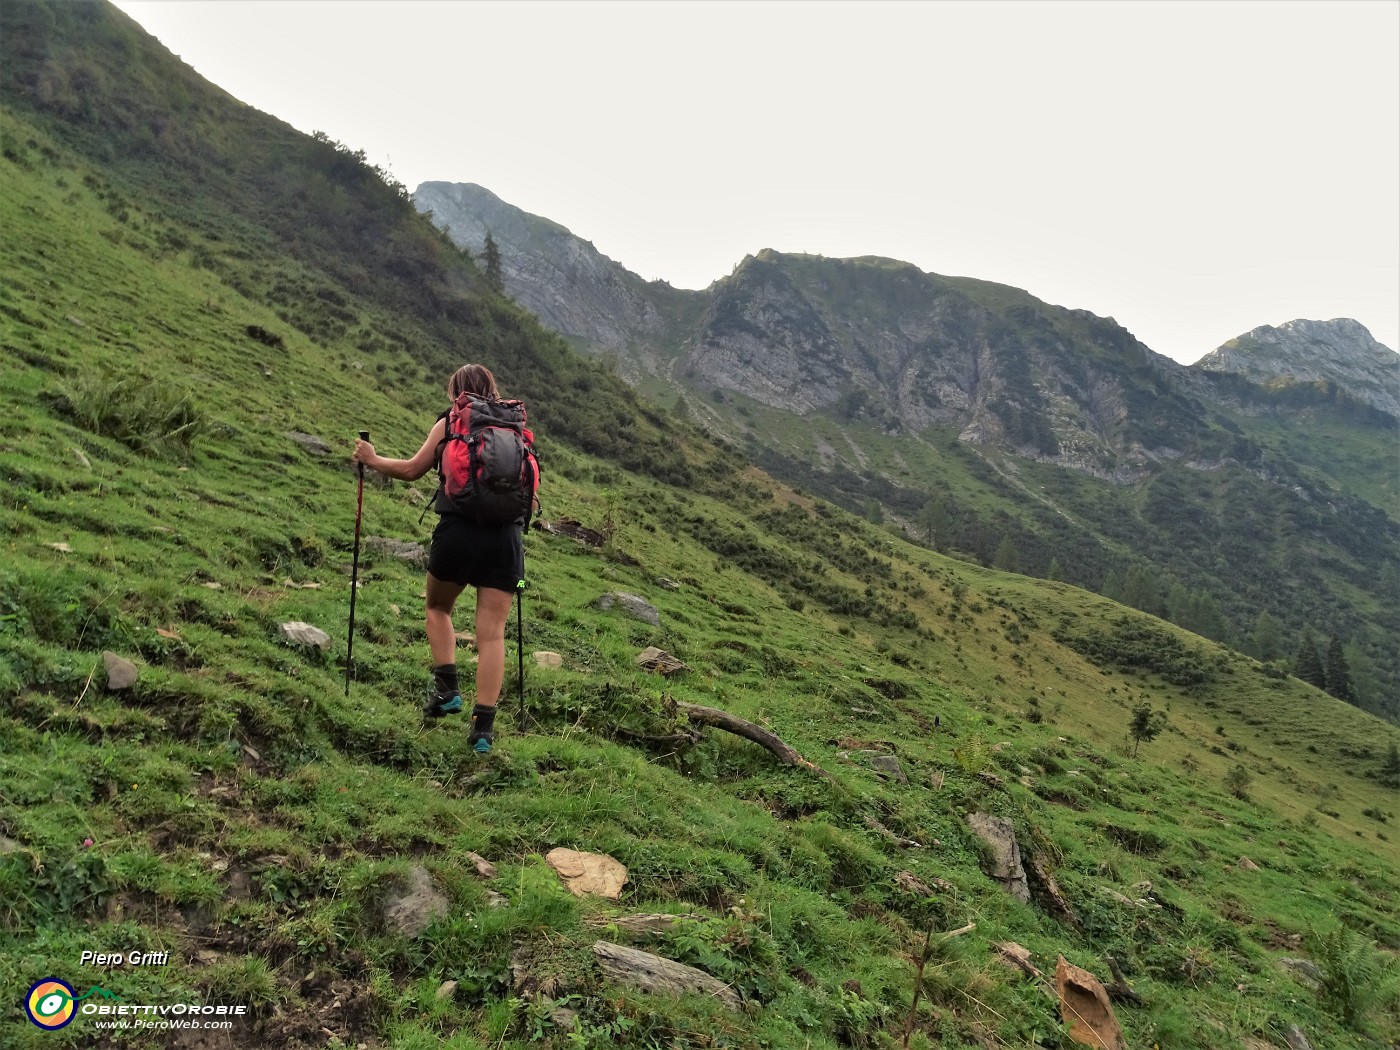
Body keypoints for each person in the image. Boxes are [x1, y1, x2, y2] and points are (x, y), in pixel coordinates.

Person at [352, 363, 523, 753]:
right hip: (506, 538)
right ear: (493, 388)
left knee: (437, 607)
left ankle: (447, 689)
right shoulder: (515, 427)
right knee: (492, 633)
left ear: (456, 392)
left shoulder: (452, 421)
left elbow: (413, 469)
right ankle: (483, 730)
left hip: (458, 531)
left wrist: (372, 459)